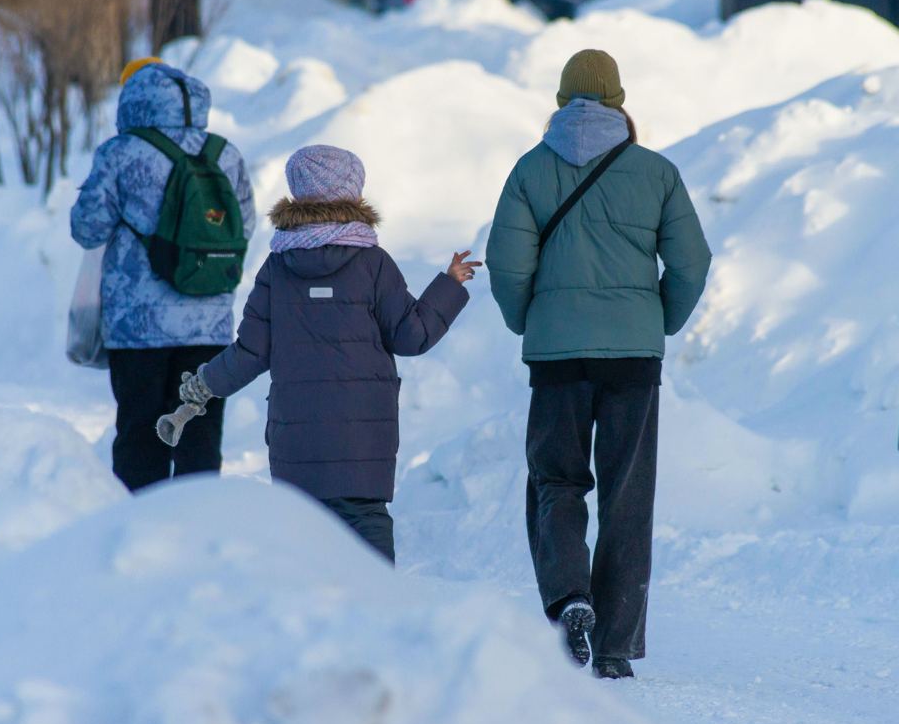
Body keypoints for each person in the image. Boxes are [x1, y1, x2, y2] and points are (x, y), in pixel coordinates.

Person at [486, 49, 711, 679]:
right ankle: (613, 647)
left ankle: (569, 598)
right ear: (617, 96)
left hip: (558, 357)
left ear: (561, 98)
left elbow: (507, 265)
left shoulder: (529, 172)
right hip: (633, 358)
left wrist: (527, 319)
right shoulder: (656, 172)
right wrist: (657, 319)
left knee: (556, 480)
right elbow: (692, 262)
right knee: (628, 494)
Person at [178, 144, 478, 562]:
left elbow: (249, 352)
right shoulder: (373, 264)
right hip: (364, 440)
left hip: (296, 442)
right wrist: (449, 285)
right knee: (367, 526)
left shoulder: (276, 269)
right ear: (351, 192)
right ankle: (377, 613)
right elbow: (412, 336)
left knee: (305, 542)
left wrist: (202, 385)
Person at [71, 58, 255, 492]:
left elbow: (87, 229)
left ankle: (141, 538)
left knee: (140, 438)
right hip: (209, 326)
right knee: (199, 436)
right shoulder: (224, 153)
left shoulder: (121, 153)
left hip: (138, 330)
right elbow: (243, 226)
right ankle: (200, 534)